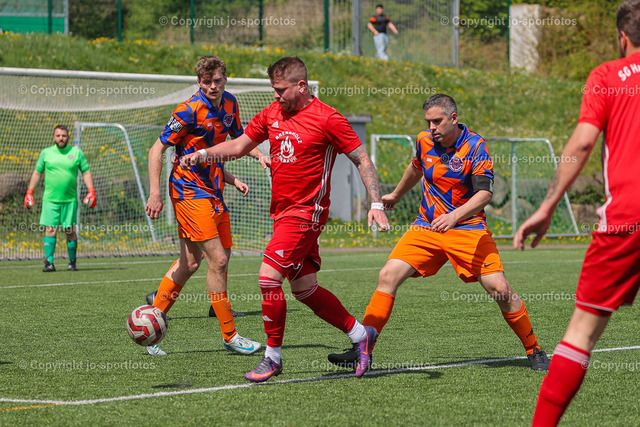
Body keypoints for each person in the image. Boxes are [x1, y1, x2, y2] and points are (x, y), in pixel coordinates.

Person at [180, 56, 390, 382]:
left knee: (268, 278)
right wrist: (205, 153)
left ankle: (272, 357)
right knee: (305, 289)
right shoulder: (272, 113)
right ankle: (361, 336)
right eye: (274, 89)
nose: (276, 95)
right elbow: (239, 146)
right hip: (281, 214)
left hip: (307, 214)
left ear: (302, 86)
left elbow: (361, 158)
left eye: (281, 90)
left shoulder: (328, 118)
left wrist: (376, 202)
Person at [328, 94, 550, 377]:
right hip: (427, 226)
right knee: (387, 276)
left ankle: (534, 349)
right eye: (428, 122)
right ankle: (363, 348)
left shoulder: (475, 146)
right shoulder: (424, 140)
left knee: (500, 289)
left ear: (453, 118)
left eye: (437, 121)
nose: (431, 127)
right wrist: (396, 194)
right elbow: (416, 167)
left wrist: (454, 216)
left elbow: (484, 194)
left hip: (468, 228)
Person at [514, 1, 640, 425]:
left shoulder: (607, 76)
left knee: (581, 333)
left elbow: (583, 143)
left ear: (623, 37)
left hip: (628, 217)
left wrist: (547, 207)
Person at [145, 55, 266, 356]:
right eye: (207, 81)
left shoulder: (231, 104)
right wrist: (154, 193)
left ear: (225, 79)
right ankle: (230, 335)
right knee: (218, 260)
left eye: (218, 80)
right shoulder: (187, 110)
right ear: (199, 82)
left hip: (214, 191)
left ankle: (152, 323)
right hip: (188, 192)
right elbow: (156, 149)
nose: (213, 86)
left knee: (192, 263)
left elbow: (239, 140)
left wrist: (259, 155)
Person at [24, 125, 96, 272]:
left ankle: (72, 263)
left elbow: (86, 172)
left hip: (70, 200)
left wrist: (91, 191)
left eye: (63, 135)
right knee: (50, 230)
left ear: (68, 137)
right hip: (50, 199)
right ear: (53, 137)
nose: (61, 138)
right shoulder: (46, 153)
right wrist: (29, 192)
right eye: (58, 136)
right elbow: (37, 173)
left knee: (70, 230)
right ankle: (49, 263)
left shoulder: (76, 153)